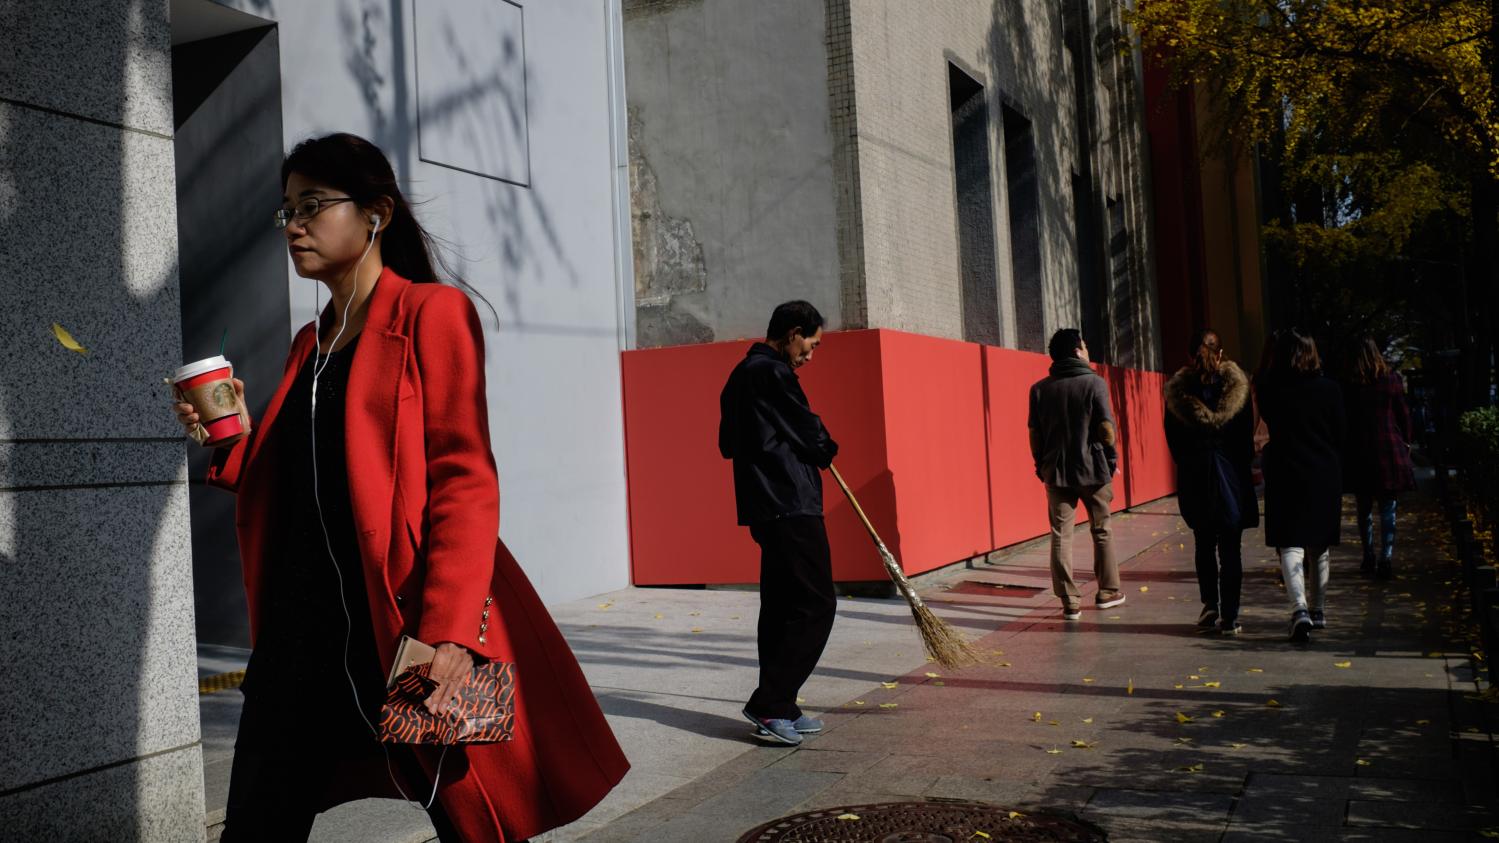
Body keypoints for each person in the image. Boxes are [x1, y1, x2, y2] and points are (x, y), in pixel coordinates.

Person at [171, 133, 627, 841]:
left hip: (400, 627)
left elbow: (463, 479)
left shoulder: (430, 315)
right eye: (286, 208)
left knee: (469, 815)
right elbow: (292, 489)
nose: (293, 223)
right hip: (298, 642)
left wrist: (445, 630)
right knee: (258, 820)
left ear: (375, 213)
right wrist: (229, 435)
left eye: (313, 205)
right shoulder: (308, 342)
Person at [718, 301, 839, 747]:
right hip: (791, 502)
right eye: (811, 343)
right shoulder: (773, 374)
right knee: (817, 604)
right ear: (792, 333)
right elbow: (813, 435)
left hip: (762, 507)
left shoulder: (738, 377)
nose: (810, 353)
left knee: (781, 605)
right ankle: (770, 703)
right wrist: (824, 447)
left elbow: (727, 444)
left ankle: (782, 705)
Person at [1164, 330, 1258, 635]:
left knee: (1204, 541)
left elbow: (1173, 441)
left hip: (1196, 476)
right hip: (1231, 476)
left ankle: (1209, 605)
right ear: (1221, 353)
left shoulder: (1179, 394)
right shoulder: (1237, 390)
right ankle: (1230, 615)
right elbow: (1246, 441)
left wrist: (1192, 463)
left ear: (1191, 356)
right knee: (1231, 546)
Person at [1028, 329, 1125, 620]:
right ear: (1076, 351)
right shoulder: (1094, 383)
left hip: (1056, 472)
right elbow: (1106, 429)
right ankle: (1107, 591)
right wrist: (1110, 462)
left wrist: (1039, 465)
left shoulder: (1039, 389)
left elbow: (1035, 432)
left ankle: (1070, 600)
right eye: (1084, 345)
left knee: (1061, 535)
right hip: (1093, 469)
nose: (1087, 350)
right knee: (1102, 530)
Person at [1256, 329, 1345, 643]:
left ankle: (1299, 610)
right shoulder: (1330, 390)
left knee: (1290, 544)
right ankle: (1319, 609)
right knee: (1318, 546)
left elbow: (1263, 380)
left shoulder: (1269, 389)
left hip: (1285, 471)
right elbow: (1340, 433)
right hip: (1323, 472)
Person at [1345, 337, 1416, 579]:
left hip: (1360, 450)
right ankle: (1386, 556)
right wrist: (1406, 441)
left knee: (1363, 508)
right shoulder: (1391, 381)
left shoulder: (1352, 385)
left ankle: (1368, 556)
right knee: (1388, 507)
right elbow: (1403, 414)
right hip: (1387, 447)